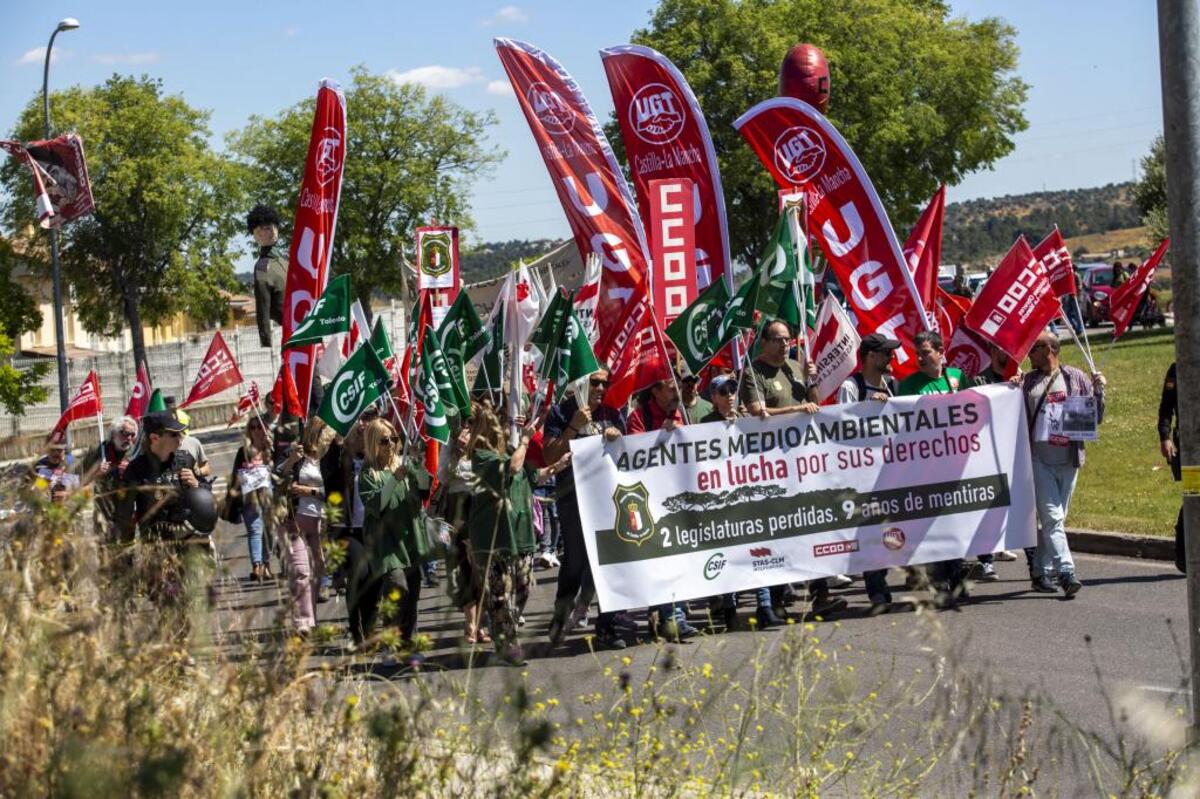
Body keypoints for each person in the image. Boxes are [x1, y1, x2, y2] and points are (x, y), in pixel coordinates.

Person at [740, 320, 846, 619]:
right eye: (778, 339)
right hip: (771, 465)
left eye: (788, 339)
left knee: (810, 525)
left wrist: (812, 382)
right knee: (779, 532)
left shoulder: (796, 367)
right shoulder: (754, 372)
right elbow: (757, 413)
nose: (785, 344)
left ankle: (820, 594)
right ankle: (774, 601)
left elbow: (813, 404)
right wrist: (796, 411)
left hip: (802, 461)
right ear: (764, 341)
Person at [542, 368, 629, 650]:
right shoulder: (560, 412)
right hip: (573, 498)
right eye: (596, 382)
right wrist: (573, 427)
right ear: (581, 382)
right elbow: (550, 455)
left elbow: (629, 452)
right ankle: (560, 615)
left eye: (606, 383)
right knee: (575, 561)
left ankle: (607, 625)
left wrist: (618, 436)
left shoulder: (611, 414)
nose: (602, 388)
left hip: (608, 498)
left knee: (609, 560)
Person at [1022, 331, 1106, 597]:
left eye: (1033, 348)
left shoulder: (1075, 377)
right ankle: (1066, 573)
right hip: (1038, 460)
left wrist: (1099, 391)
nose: (1029, 354)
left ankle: (1039, 572)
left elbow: (1095, 418)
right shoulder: (1027, 382)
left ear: (1049, 349)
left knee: (1055, 520)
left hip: (1069, 460)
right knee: (1053, 518)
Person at [701, 372, 784, 629]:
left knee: (760, 553)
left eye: (732, 390)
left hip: (749, 495)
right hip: (722, 499)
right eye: (723, 391)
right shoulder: (706, 423)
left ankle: (765, 605)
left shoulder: (747, 419)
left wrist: (761, 423)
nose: (730, 395)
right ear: (714, 398)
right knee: (730, 556)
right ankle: (729, 607)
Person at [627, 376, 701, 640]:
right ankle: (673, 618)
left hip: (680, 496)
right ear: (655, 390)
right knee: (663, 560)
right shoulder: (639, 416)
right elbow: (635, 453)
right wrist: (661, 436)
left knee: (679, 558)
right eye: (671, 388)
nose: (677, 392)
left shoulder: (680, 412)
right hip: (652, 500)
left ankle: (670, 616)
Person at [899, 330, 968, 606]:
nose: (921, 358)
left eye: (926, 352)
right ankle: (940, 585)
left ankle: (958, 579)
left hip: (957, 466)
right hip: (927, 469)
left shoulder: (957, 378)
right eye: (918, 353)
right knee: (936, 528)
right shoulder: (910, 385)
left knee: (957, 525)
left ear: (941, 351)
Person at [466, 403, 539, 665]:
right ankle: (507, 646)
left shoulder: (505, 452)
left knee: (522, 588)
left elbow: (525, 472)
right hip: (491, 538)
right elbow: (514, 467)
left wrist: (517, 431)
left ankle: (502, 630)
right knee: (500, 594)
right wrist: (525, 440)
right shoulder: (481, 457)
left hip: (515, 534)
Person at [837, 334, 902, 614]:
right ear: (872, 356)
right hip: (863, 474)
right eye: (886, 353)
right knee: (872, 531)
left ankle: (883, 581)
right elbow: (841, 425)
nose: (891, 358)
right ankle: (876, 589)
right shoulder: (852, 387)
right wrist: (868, 409)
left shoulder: (893, 385)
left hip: (890, 470)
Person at [352, 417, 425, 647]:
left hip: (409, 538)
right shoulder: (367, 474)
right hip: (386, 545)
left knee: (413, 590)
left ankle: (407, 641)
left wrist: (418, 463)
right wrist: (395, 479)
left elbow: (423, 488)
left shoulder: (402, 464)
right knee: (398, 587)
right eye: (385, 440)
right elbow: (377, 504)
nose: (391, 444)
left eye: (394, 439)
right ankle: (390, 639)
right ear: (374, 443)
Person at [966, 343, 1022, 581]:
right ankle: (985, 560)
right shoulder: (980, 381)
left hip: (1014, 451)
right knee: (987, 508)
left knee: (1014, 505)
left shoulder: (1021, 379)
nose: (1006, 354)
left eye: (1009, 350)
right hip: (987, 453)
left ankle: (1004, 549)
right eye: (1000, 350)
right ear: (991, 352)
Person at [115, 411, 211, 543]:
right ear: (154, 438)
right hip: (156, 546)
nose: (181, 437)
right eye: (174, 434)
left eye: (181, 433)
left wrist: (196, 485)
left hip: (190, 542)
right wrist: (127, 548)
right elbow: (124, 514)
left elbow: (207, 492)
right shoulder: (135, 470)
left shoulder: (186, 460)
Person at [436, 421, 489, 644]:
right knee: (460, 565)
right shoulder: (450, 442)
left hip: (479, 505)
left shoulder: (484, 440)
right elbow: (443, 477)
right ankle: (470, 621)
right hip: (456, 509)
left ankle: (482, 621)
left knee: (481, 566)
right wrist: (457, 453)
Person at [278, 420, 330, 636]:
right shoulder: (297, 454)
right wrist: (291, 461)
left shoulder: (331, 458)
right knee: (301, 570)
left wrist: (312, 492)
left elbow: (337, 488)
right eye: (323, 433)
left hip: (322, 520)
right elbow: (276, 478)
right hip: (295, 519)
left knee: (319, 568)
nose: (326, 437)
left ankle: (313, 617)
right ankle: (302, 621)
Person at [226, 417, 276, 582]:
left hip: (269, 497)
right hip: (251, 498)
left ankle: (266, 565)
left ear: (265, 429)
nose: (256, 431)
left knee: (269, 533)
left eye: (259, 427)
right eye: (253, 427)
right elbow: (236, 475)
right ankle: (257, 565)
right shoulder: (243, 452)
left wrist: (270, 451)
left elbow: (280, 470)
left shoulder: (271, 449)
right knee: (255, 531)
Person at [79, 415, 139, 540]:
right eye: (124, 433)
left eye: (132, 435)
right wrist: (96, 473)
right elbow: (77, 479)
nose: (129, 438)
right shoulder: (98, 451)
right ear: (113, 434)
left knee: (126, 553)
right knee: (106, 553)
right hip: (104, 514)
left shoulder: (136, 453)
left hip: (127, 514)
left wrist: (132, 470)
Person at [248, 204, 288, 348]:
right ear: (257, 235)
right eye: (265, 228)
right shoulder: (263, 267)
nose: (272, 230)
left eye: (273, 226)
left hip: (308, 327)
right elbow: (262, 310)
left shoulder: (287, 261)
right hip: (290, 333)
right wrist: (266, 344)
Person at [1159, 363, 1184, 573]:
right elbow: (1166, 407)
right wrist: (1165, 438)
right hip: (1189, 446)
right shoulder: (1178, 368)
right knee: (1194, 497)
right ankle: (1183, 554)